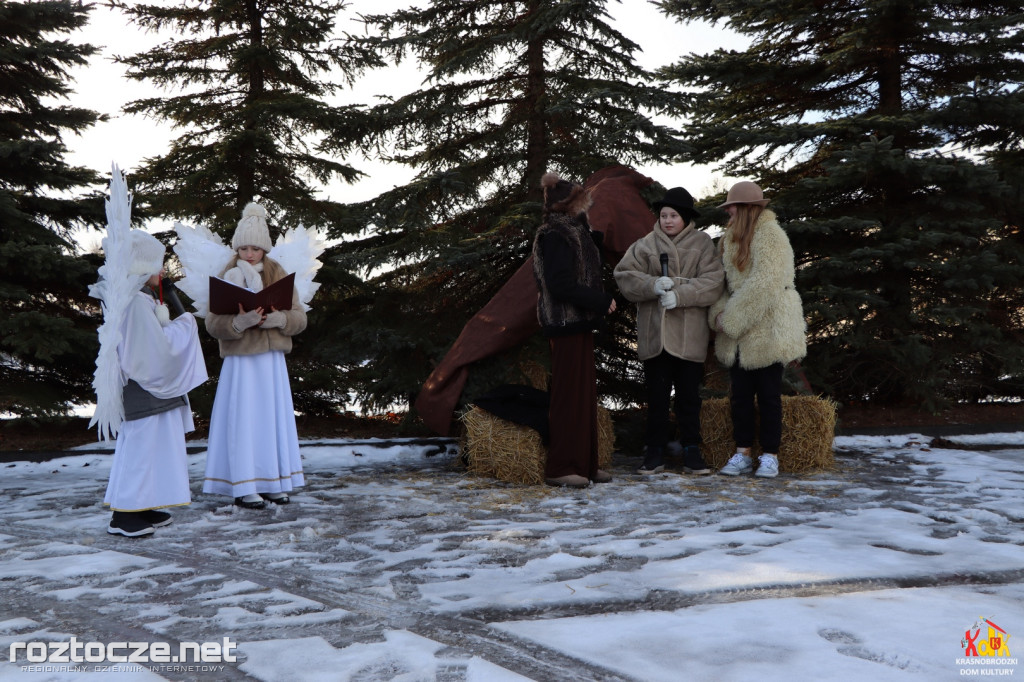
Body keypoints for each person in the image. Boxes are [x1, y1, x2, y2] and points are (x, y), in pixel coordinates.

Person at [99, 231, 209, 537]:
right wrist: (184, 328)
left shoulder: (137, 299)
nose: (161, 273)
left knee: (151, 447)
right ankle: (124, 514)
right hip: (145, 389)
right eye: (156, 266)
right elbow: (152, 351)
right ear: (141, 267)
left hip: (151, 390)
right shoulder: (134, 303)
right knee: (141, 448)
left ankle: (142, 505)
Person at [203, 202, 307, 508]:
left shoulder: (278, 272)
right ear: (236, 248)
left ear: (265, 250)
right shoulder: (228, 274)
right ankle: (244, 484)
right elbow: (212, 324)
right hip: (242, 362)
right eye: (244, 248)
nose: (249, 254)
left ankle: (273, 481)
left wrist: (281, 320)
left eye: (256, 249)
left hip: (271, 360)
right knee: (244, 419)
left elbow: (300, 318)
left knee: (270, 418)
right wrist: (238, 322)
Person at [614, 187, 724, 475]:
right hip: (656, 334)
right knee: (657, 397)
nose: (668, 220)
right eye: (663, 215)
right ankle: (654, 451)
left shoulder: (702, 244)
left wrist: (682, 294)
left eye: (673, 215)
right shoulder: (645, 244)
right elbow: (624, 275)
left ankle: (691, 449)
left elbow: (714, 281)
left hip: (689, 334)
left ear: (686, 217)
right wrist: (652, 285)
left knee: (689, 397)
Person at [708, 181, 806, 478]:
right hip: (739, 333)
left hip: (768, 328)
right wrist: (719, 316)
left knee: (768, 395)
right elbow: (723, 284)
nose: (729, 213)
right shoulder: (727, 241)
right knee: (739, 395)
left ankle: (770, 456)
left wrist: (732, 319)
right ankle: (742, 454)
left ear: (749, 209)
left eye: (732, 207)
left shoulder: (772, 236)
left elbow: (766, 284)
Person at [532, 172, 617, 487]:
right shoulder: (555, 235)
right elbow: (560, 284)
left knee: (584, 396)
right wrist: (599, 301)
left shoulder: (575, 231)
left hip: (579, 323)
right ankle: (562, 467)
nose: (586, 209)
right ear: (568, 206)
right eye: (580, 204)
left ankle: (585, 464)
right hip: (564, 323)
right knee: (569, 397)